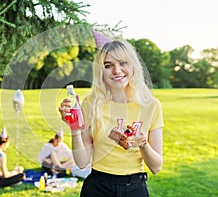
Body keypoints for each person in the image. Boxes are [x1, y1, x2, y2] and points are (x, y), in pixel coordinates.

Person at [58, 29, 164, 196]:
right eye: (108, 65)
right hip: (98, 187)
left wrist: (142, 144)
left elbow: (156, 167)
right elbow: (82, 161)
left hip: (135, 188)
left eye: (123, 63)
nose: (116, 70)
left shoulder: (151, 106)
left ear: (133, 66)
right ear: (101, 71)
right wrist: (75, 127)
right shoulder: (91, 103)